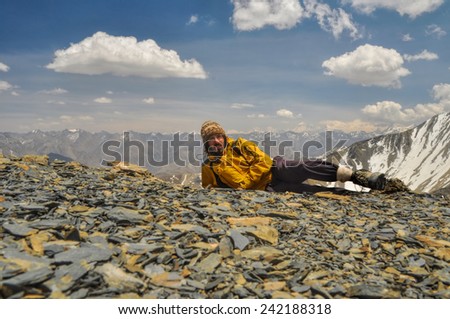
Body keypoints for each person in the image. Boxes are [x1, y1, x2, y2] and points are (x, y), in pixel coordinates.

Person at [200, 120, 387, 193]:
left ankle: (357, 176)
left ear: (224, 136)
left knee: (304, 166)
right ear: (206, 143)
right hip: (267, 189)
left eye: (219, 136)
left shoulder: (240, 145)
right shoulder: (209, 167)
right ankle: (355, 196)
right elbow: (211, 188)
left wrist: (247, 180)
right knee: (309, 192)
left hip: (276, 169)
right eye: (211, 138)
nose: (216, 140)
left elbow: (263, 161)